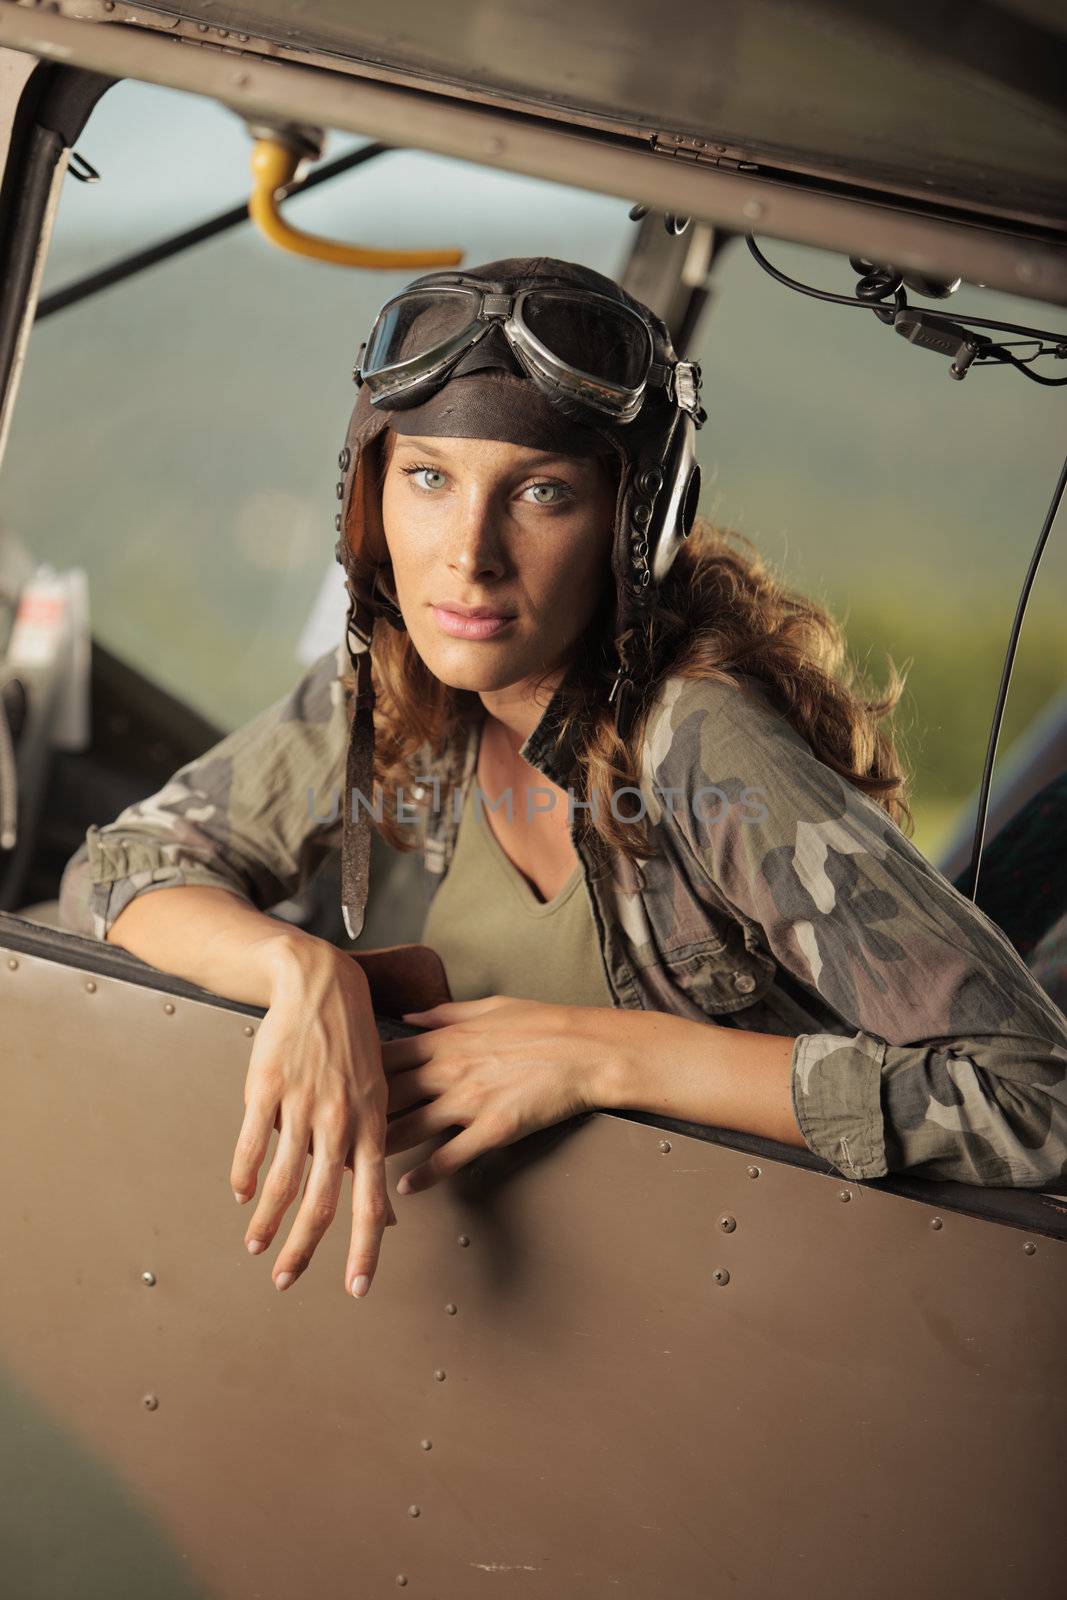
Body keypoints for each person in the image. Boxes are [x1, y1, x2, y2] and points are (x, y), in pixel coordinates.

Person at [58, 255, 1067, 1305]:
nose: (468, 557)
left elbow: (1035, 1096)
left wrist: (610, 1057)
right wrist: (301, 975)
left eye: (540, 492)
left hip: (727, 1311)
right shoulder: (392, 682)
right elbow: (121, 868)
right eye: (428, 477)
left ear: (634, 526)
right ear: (369, 494)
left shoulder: (703, 741)